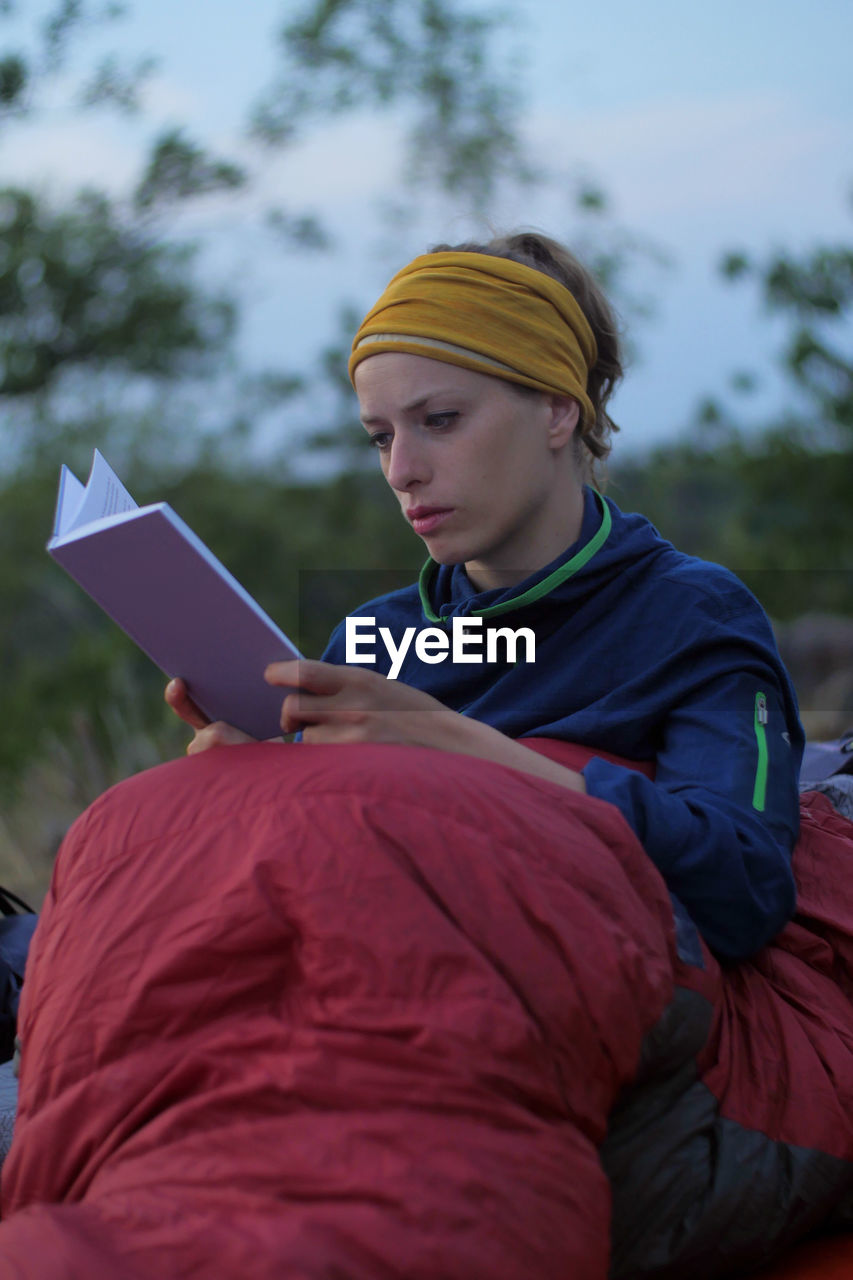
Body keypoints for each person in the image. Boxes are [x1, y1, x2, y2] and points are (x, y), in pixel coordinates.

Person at [167, 230, 804, 963]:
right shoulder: (376, 637)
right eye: (379, 437)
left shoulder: (686, 616)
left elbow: (746, 887)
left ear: (558, 412)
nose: (402, 470)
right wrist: (255, 789)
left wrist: (451, 745)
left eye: (440, 421)